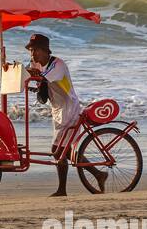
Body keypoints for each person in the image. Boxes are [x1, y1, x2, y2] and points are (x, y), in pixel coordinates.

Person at [20, 33, 105, 196]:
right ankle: (98, 174)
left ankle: (62, 190)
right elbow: (30, 75)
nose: (32, 54)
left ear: (45, 50)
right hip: (57, 110)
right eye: (30, 50)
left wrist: (26, 72)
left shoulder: (58, 65)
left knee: (57, 150)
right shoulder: (35, 63)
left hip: (69, 108)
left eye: (35, 50)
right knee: (64, 150)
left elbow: (41, 76)